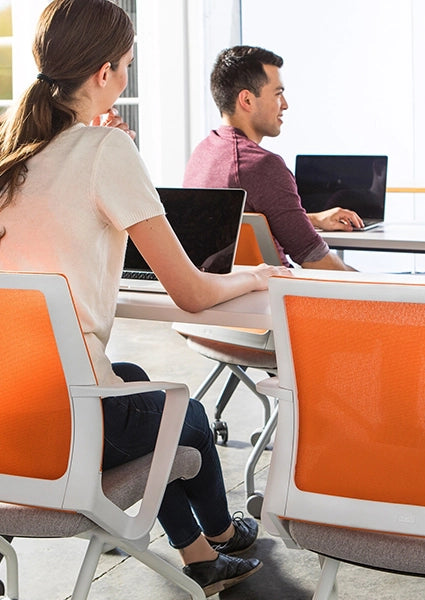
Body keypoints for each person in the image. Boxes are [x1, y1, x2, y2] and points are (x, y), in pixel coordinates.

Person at [0, 1, 289, 596]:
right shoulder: (107, 152)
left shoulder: (12, 161)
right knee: (190, 415)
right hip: (71, 427)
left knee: (131, 375)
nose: (127, 75)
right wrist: (251, 278)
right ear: (105, 74)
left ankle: (200, 553)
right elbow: (190, 290)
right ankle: (223, 533)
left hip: (12, 415)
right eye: (127, 64)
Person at [183, 45, 360, 270]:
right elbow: (316, 260)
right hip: (279, 296)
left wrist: (312, 220)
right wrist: (385, 287)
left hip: (233, 294)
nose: (285, 104)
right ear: (247, 100)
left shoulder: (203, 153)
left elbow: (245, 220)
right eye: (278, 93)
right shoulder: (262, 166)